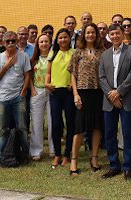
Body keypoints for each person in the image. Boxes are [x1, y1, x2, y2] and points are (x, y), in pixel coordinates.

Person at [99, 24, 131, 179]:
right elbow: (101, 77)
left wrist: (119, 92)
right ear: (109, 36)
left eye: (118, 33)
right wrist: (112, 95)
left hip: (126, 98)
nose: (115, 36)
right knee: (109, 133)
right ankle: (114, 165)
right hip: (109, 99)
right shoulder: (104, 55)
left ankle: (128, 166)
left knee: (128, 133)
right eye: (112, 34)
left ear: (123, 34)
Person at [68, 23, 105, 175]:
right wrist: (75, 94)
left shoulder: (102, 52)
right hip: (82, 93)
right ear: (84, 35)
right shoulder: (78, 52)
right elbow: (73, 74)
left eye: (93, 32)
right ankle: (74, 161)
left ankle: (94, 158)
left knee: (97, 127)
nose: (90, 35)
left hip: (97, 93)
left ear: (96, 35)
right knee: (79, 128)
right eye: (88, 32)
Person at [0, 30, 32, 153]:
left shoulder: (23, 56)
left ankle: (25, 154)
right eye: (7, 41)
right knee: (3, 128)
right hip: (2, 99)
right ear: (3, 43)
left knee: (22, 127)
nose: (10, 43)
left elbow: (27, 75)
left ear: (17, 42)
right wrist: (6, 66)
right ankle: (3, 154)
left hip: (18, 98)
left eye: (13, 41)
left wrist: (24, 90)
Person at [47, 28, 76, 169]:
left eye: (65, 37)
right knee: (56, 123)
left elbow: (77, 71)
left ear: (69, 38)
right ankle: (57, 153)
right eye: (60, 38)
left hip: (69, 92)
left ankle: (67, 154)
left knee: (70, 123)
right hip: (55, 92)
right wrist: (47, 83)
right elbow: (48, 72)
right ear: (56, 40)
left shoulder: (74, 53)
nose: (63, 40)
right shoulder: (53, 53)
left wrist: (73, 84)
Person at [30, 33, 54, 160]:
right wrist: (32, 90)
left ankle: (53, 149)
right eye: (41, 42)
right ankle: (36, 151)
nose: (44, 44)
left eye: (46, 41)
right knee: (36, 122)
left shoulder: (53, 57)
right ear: (37, 45)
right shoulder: (33, 59)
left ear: (50, 43)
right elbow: (28, 76)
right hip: (37, 91)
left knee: (52, 121)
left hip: (51, 92)